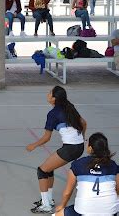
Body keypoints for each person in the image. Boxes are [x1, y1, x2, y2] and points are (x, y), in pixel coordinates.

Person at [26, 86, 87, 214]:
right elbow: (84, 122)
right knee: (49, 169)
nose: (47, 94)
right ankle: (48, 200)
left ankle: (46, 205)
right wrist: (82, 138)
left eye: (50, 93)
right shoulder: (69, 106)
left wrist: (34, 145)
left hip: (70, 148)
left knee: (42, 170)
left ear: (54, 99)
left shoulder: (53, 114)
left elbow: (46, 138)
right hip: (78, 146)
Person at [55, 132, 119, 216]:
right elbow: (117, 189)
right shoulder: (113, 166)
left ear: (90, 148)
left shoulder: (78, 164)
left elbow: (67, 192)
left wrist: (62, 205)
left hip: (83, 211)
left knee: (58, 214)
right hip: (110, 211)